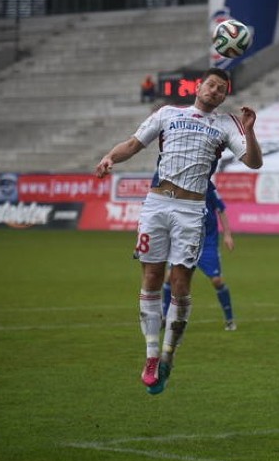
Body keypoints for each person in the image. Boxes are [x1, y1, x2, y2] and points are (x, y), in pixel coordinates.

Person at [95, 67, 262, 395]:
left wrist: (250, 131)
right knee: (152, 278)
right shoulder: (167, 113)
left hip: (191, 210)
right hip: (157, 204)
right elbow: (133, 143)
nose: (214, 91)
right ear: (199, 87)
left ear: (224, 97)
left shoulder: (227, 124)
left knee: (180, 284)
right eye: (211, 85)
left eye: (221, 89)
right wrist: (109, 158)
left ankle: (170, 352)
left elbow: (254, 162)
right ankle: (152, 355)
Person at [163, 180, 237, 331]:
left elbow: (221, 210)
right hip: (186, 241)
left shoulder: (208, 187)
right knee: (170, 277)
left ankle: (229, 320)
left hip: (207, 243)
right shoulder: (181, 184)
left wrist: (227, 235)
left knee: (217, 281)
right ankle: (165, 317)